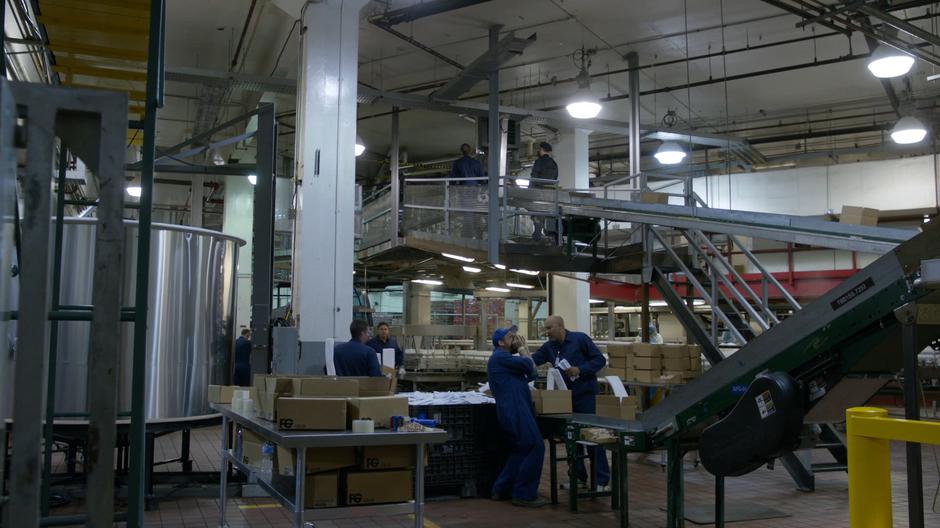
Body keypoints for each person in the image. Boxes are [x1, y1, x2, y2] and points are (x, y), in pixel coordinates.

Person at [532, 315, 610, 490]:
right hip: (565, 399)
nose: (547, 332)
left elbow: (599, 360)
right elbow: (533, 360)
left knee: (593, 437)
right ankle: (578, 477)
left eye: (549, 328)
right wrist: (515, 355)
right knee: (571, 439)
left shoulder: (580, 339)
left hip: (586, 396)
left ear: (560, 326)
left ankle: (602, 480)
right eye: (545, 328)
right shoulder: (549, 347)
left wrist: (580, 370)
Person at [488, 328, 547, 508]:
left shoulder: (508, 360)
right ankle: (524, 494)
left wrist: (524, 350)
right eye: (511, 337)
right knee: (536, 446)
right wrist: (523, 348)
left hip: (517, 409)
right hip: (516, 410)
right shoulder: (500, 357)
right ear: (501, 343)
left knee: (521, 449)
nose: (516, 339)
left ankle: (501, 488)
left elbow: (533, 373)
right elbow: (529, 366)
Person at [530, 142, 558, 241]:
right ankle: (553, 239)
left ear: (542, 150)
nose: (539, 151)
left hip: (539, 193)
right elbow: (555, 178)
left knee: (536, 214)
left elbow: (534, 177)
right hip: (550, 194)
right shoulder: (554, 163)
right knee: (549, 216)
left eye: (540, 149)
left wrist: (529, 192)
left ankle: (537, 237)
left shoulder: (539, 162)